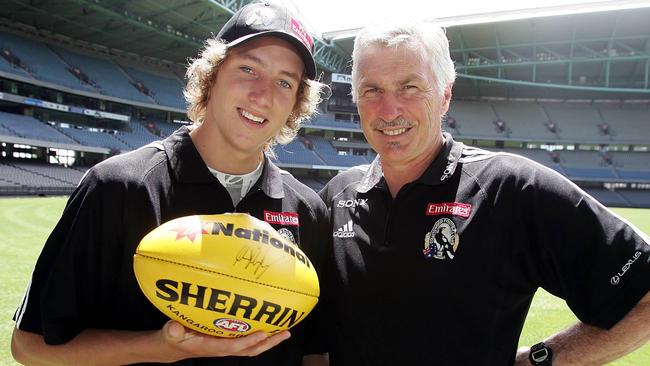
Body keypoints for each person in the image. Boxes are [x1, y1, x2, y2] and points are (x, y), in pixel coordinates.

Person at [11, 2, 329, 365]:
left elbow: (312, 352)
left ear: (296, 103)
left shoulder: (307, 209)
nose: (263, 95)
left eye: (284, 82)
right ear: (212, 75)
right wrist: (159, 347)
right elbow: (29, 346)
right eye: (248, 68)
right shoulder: (119, 187)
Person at [318, 20, 650, 365]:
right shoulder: (336, 196)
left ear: (445, 95)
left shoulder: (512, 187)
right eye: (372, 90)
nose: (389, 111)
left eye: (410, 87)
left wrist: (542, 360)